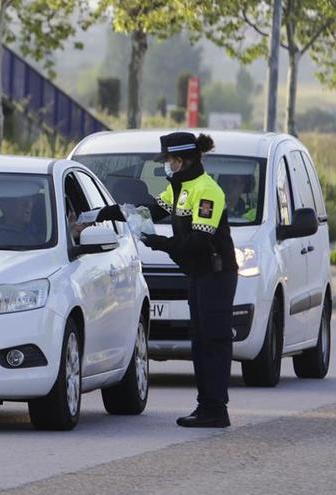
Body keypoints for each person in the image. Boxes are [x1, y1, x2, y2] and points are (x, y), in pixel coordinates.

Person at [98, 132, 238, 428]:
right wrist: (109, 212)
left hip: (217, 274)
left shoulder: (207, 190)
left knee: (214, 340)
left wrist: (161, 243)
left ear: (181, 160)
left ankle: (216, 409)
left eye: (169, 160)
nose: (167, 165)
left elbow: (201, 240)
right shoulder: (180, 188)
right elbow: (149, 211)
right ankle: (206, 406)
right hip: (199, 274)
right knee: (200, 341)